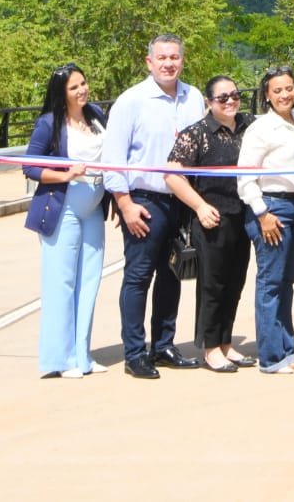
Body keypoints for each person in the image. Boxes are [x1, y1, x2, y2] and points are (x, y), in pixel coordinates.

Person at [101, 33, 205, 379]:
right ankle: (134, 353)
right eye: (162, 58)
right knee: (138, 277)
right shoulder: (131, 101)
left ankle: (163, 346)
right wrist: (125, 204)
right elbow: (113, 159)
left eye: (174, 57)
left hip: (181, 201)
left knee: (172, 275)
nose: (168, 64)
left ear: (182, 60)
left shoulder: (193, 97)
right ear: (149, 62)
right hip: (145, 200)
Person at [23, 62, 109, 378]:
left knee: (89, 281)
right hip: (64, 206)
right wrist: (65, 174)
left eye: (83, 83)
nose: (81, 90)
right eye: (74, 87)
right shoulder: (49, 123)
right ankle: (59, 359)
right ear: (62, 93)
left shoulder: (96, 115)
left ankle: (82, 355)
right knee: (62, 283)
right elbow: (30, 167)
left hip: (94, 206)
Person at [165, 75, 256, 372]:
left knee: (235, 282)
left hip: (243, 215)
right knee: (212, 285)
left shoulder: (249, 125)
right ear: (208, 102)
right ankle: (211, 347)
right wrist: (200, 206)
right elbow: (172, 174)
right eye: (222, 98)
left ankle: (226, 342)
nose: (230, 101)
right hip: (211, 219)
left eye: (235, 95)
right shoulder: (197, 133)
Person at [237, 65, 294, 373]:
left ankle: (286, 349)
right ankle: (270, 356)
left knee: (287, 281)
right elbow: (245, 178)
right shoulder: (261, 128)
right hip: (271, 208)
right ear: (266, 95)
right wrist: (262, 213)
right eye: (277, 90)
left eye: (289, 88)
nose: (284, 95)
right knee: (271, 283)